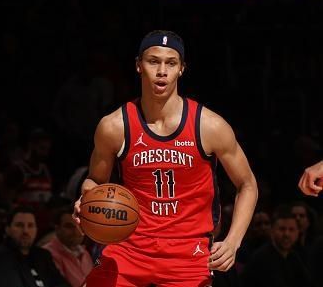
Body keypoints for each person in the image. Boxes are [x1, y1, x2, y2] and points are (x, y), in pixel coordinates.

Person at [73, 29, 258, 287]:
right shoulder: (114, 126)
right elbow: (94, 180)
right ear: (138, 66)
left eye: (171, 63)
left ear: (182, 69)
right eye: (153, 61)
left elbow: (247, 184)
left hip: (188, 253)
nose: (162, 71)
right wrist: (85, 200)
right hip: (129, 248)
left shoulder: (209, 126)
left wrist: (233, 241)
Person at [0, 206, 70, 287]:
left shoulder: (43, 255)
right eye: (19, 225)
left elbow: (61, 284)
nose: (25, 231)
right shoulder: (0, 258)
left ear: (36, 229)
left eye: (30, 225)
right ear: (8, 229)